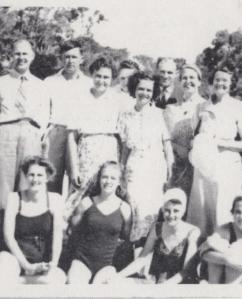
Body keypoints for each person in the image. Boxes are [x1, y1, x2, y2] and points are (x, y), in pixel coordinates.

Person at [0, 39, 50, 261]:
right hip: (5, 133)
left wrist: (34, 133)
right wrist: (6, 131)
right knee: (3, 196)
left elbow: (44, 115)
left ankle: (24, 250)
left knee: (27, 189)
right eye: (17, 53)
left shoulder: (41, 85)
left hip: (30, 133)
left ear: (32, 56)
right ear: (11, 55)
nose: (21, 57)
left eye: (25, 54)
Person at [0, 156, 66, 284]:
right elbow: (8, 237)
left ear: (47, 177)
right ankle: (4, 278)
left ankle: (11, 281)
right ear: (25, 176)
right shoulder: (14, 198)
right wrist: (27, 266)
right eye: (31, 175)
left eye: (40, 175)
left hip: (41, 259)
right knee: (7, 270)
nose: (35, 179)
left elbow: (58, 237)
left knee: (58, 279)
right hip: (13, 256)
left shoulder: (55, 199)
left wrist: (53, 263)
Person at [186, 66, 242, 239]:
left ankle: (223, 254)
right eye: (217, 79)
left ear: (231, 84)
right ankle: (198, 257)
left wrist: (220, 143)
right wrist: (200, 143)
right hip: (203, 166)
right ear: (211, 82)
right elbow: (193, 137)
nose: (220, 83)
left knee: (222, 211)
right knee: (200, 212)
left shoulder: (238, 106)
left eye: (225, 80)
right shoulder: (201, 106)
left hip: (226, 166)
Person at [65, 57, 127, 217]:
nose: (101, 80)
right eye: (98, 76)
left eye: (106, 77)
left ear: (112, 79)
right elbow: (71, 136)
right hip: (87, 149)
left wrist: (120, 164)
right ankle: (69, 235)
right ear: (91, 75)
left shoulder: (118, 100)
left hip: (109, 149)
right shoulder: (80, 98)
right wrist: (74, 168)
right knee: (80, 193)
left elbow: (122, 137)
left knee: (106, 192)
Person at [118, 71, 174, 244]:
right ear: (134, 89)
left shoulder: (159, 114)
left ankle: (148, 255)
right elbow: (125, 147)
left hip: (155, 167)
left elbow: (167, 145)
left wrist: (170, 170)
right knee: (135, 208)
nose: (145, 93)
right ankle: (131, 250)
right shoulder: (125, 115)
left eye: (149, 90)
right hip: (134, 166)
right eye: (141, 89)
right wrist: (121, 169)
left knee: (153, 209)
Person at [116, 188, 200, 284]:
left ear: (183, 211)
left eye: (176, 211)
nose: (171, 215)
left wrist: (167, 285)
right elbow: (142, 259)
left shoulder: (192, 232)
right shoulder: (157, 228)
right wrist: (119, 276)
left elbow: (187, 270)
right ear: (162, 209)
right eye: (167, 210)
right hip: (157, 283)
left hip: (181, 286)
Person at [67, 161, 131, 284]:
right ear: (99, 179)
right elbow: (73, 233)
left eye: (113, 178)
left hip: (107, 265)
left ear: (119, 181)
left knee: (103, 289)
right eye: (105, 177)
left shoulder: (125, 208)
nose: (108, 181)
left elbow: (125, 239)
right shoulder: (86, 203)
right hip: (82, 261)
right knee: (74, 286)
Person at [43, 40, 91, 194]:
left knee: (77, 181)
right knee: (50, 179)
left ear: (81, 59)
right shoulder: (50, 81)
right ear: (62, 58)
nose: (70, 61)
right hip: (56, 133)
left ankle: (69, 217)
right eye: (67, 57)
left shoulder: (89, 83)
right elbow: (43, 110)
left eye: (74, 57)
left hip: (78, 136)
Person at [199, 188, 242, 284]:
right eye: (238, 212)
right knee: (223, 245)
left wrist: (214, 246)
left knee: (236, 249)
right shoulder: (226, 228)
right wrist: (226, 259)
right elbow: (203, 253)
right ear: (232, 212)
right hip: (226, 281)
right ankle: (214, 290)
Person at [163, 64, 205, 197]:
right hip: (174, 164)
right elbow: (165, 138)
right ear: (180, 82)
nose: (188, 81)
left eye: (192, 77)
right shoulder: (171, 109)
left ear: (199, 81)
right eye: (184, 78)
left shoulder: (206, 107)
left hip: (198, 166)